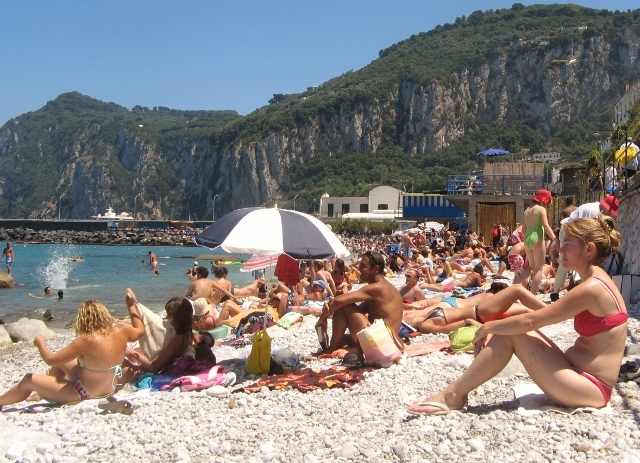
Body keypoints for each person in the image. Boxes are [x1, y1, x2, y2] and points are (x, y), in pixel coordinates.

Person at [408, 215, 625, 414]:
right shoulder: (594, 281)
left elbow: (532, 320)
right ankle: (454, 394)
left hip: (590, 387)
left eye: (568, 245)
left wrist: (488, 326)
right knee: (510, 328)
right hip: (577, 375)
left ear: (589, 250)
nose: (560, 250)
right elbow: (542, 315)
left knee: (510, 331)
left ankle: (453, 395)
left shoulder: (592, 288)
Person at [0, 295, 144, 408]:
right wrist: (130, 305)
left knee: (28, 379)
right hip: (109, 387)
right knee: (62, 359)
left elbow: (49, 359)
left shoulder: (85, 341)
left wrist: (40, 343)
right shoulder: (122, 330)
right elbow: (140, 329)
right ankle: (42, 393)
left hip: (87, 392)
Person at [315, 251, 403, 354]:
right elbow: (355, 311)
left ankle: (330, 350)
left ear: (376, 269)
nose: (359, 268)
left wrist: (323, 318)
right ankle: (338, 347)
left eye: (363, 266)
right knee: (341, 337)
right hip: (387, 342)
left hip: (383, 343)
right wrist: (334, 305)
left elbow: (340, 301)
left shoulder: (377, 288)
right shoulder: (383, 287)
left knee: (344, 304)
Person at [550, 195, 619, 300]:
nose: (609, 213)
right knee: (569, 260)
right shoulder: (594, 212)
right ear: (605, 206)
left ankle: (560, 291)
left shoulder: (594, 208)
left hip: (573, 231)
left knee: (572, 260)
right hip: (570, 231)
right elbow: (585, 230)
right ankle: (571, 291)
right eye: (609, 211)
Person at [121, 296, 194, 381]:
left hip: (157, 371)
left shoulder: (177, 339)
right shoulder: (186, 332)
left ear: (176, 318)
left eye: (168, 315)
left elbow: (155, 367)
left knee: (122, 363)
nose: (166, 318)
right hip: (165, 366)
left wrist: (132, 353)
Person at [522, 189, 559, 295]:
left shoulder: (527, 210)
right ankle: (532, 293)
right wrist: (555, 238)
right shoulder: (541, 209)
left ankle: (517, 283)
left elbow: (523, 230)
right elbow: (546, 226)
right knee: (538, 269)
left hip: (527, 238)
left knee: (531, 268)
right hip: (536, 238)